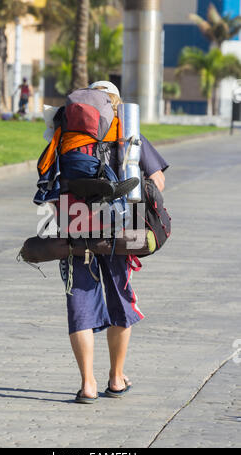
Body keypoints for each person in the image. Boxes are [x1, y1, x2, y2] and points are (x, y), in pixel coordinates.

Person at [54, 81, 169, 403]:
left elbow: (49, 177)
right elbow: (157, 178)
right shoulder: (126, 128)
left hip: (74, 218)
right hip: (124, 220)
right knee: (120, 294)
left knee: (80, 300)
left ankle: (87, 384)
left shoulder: (68, 131)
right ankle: (116, 378)